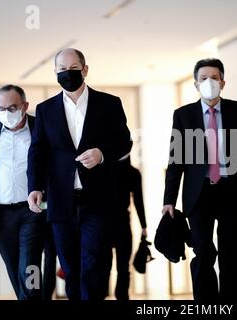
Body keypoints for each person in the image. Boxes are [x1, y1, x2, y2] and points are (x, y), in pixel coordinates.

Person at [27, 48, 132, 300]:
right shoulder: (45, 110)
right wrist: (34, 186)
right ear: (55, 72)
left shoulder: (109, 103)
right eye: (62, 69)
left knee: (94, 261)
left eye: (73, 68)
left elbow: (124, 142)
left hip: (97, 197)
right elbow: (37, 151)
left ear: (85, 70)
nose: (67, 73)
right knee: (70, 266)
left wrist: (102, 153)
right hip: (60, 199)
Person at [162, 58, 237, 301]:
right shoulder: (184, 115)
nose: (210, 82)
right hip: (199, 195)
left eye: (215, 78)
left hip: (232, 193)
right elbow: (176, 161)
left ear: (223, 82)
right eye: (204, 78)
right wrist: (169, 200)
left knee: (232, 256)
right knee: (204, 254)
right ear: (196, 84)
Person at [0, 85, 44, 300]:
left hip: (32, 212)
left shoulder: (40, 128)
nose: (6, 113)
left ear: (25, 106)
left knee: (30, 266)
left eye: (12, 108)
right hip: (1, 216)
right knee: (13, 266)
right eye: (0, 108)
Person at [106, 157, 147, 300]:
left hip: (105, 225)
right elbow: (138, 200)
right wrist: (143, 226)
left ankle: (101, 294)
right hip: (123, 224)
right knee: (123, 268)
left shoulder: (105, 170)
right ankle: (122, 296)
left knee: (104, 266)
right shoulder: (132, 173)